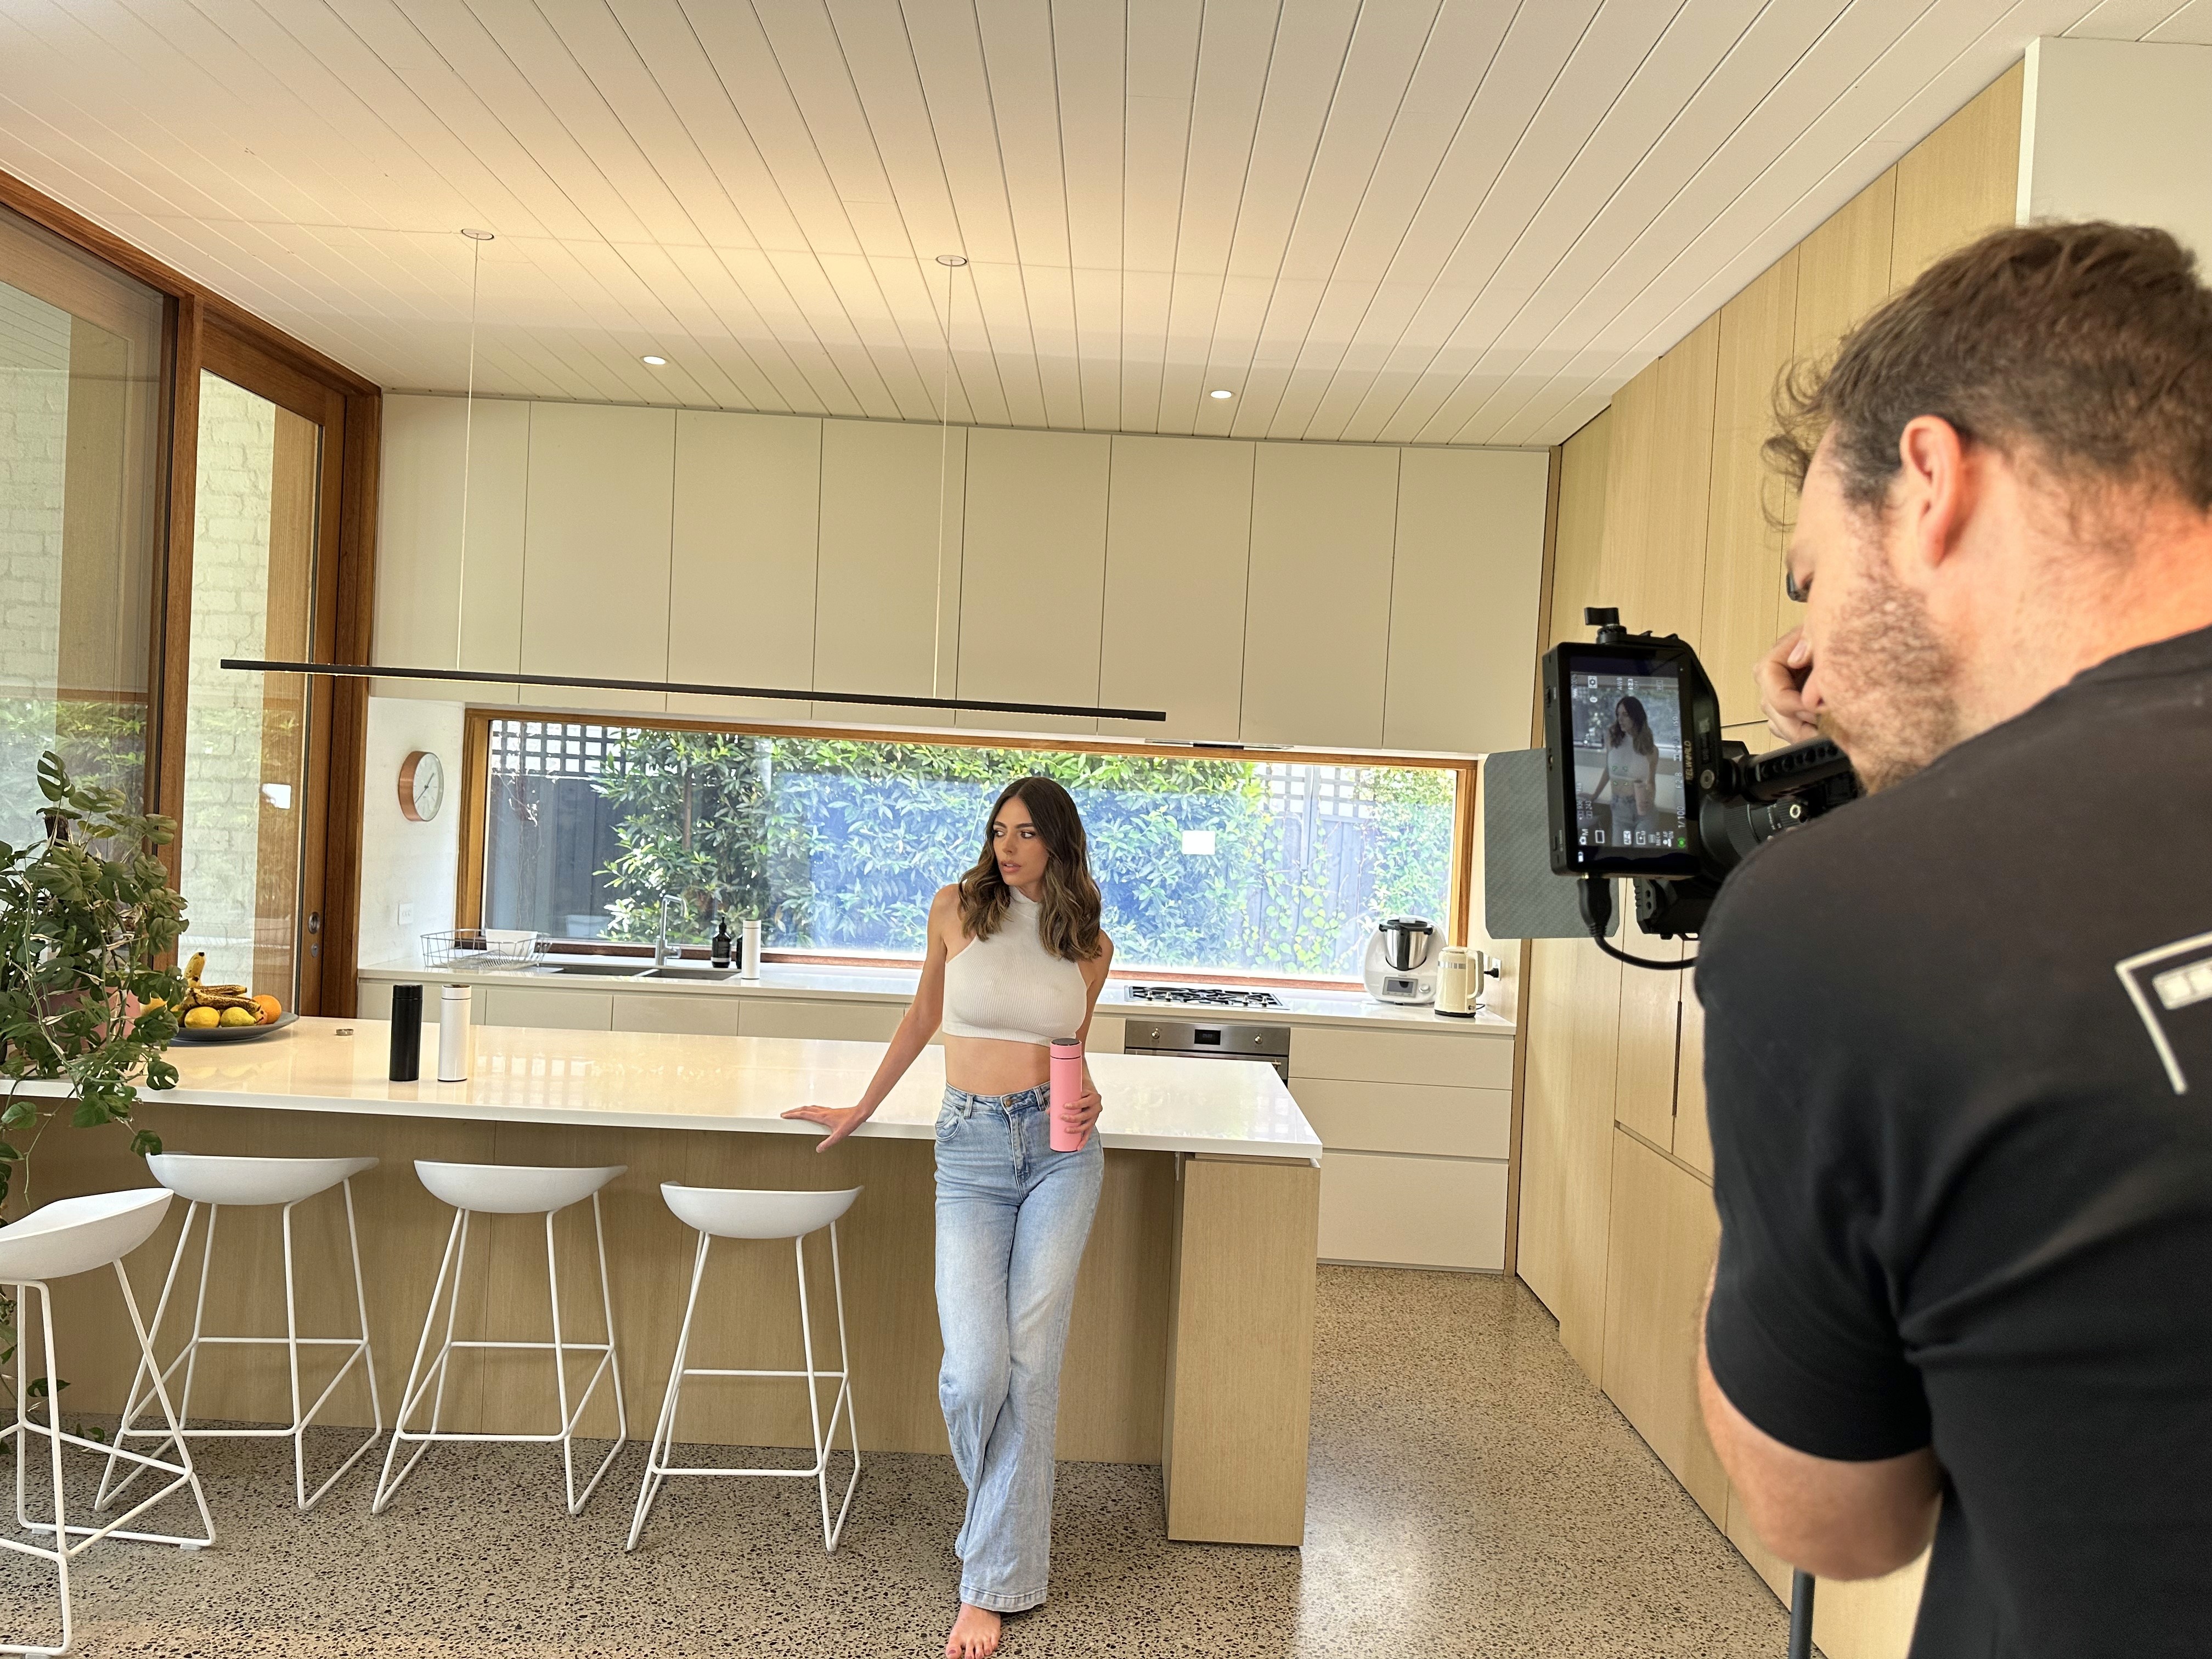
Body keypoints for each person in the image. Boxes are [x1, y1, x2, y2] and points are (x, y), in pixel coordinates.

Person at [1692, 219, 2212, 1658]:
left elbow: (1836, 1522)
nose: (1796, 674)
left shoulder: (1854, 920)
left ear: (1931, 481)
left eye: (1809, 580)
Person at [783, 776, 1114, 1659]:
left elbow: (1072, 1049)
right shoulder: (954, 909)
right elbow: (924, 1016)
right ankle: (996, 1530)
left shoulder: (1088, 942)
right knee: (974, 1373)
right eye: (1000, 830)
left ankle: (989, 1584)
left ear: (1058, 843)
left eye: (1027, 833)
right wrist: (860, 1106)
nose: (1008, 847)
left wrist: (1090, 1100)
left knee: (1031, 1367)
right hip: (969, 1150)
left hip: (1062, 1154)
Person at [1600, 695, 1658, 842]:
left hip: (1643, 810)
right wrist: (1594, 795)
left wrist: (1650, 799)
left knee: (1642, 854)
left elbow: (1651, 782)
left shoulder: (1651, 750)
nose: (1620, 719)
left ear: (1636, 716)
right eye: (1618, 714)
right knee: (1619, 853)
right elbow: (1608, 770)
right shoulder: (1612, 741)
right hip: (1619, 810)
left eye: (1625, 715)